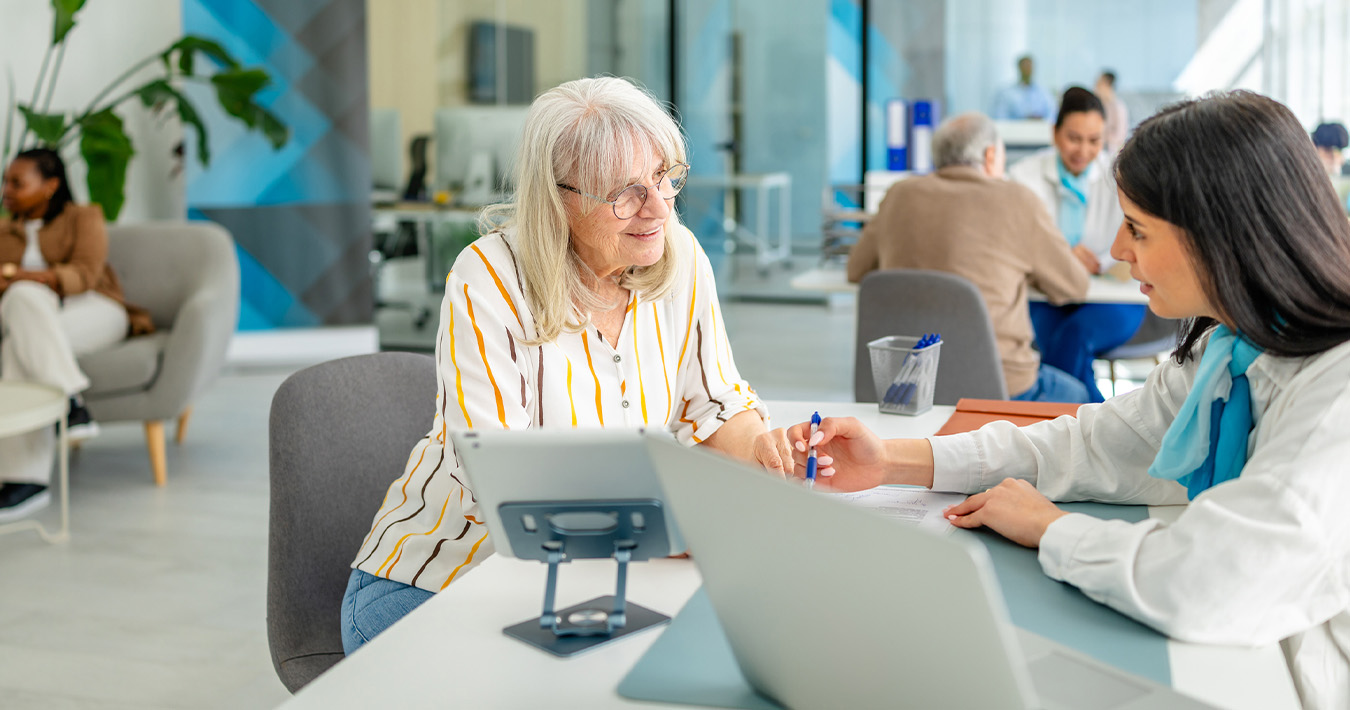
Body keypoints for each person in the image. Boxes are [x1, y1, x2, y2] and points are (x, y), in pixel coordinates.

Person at [771, 91, 1350, 710]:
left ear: (1222, 237)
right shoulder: (1233, 350)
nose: (1121, 251)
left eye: (1138, 229)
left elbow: (1210, 583)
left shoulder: (1334, 399)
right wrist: (895, 460)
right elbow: (1096, 440)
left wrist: (1052, 529)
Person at [341, 77, 772, 653]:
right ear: (557, 198)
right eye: (626, 192)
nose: (658, 208)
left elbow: (716, 403)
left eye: (665, 178)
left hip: (597, 578)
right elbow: (508, 481)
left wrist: (773, 458)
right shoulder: (490, 277)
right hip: (442, 582)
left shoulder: (680, 254)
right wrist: (666, 530)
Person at [847, 112, 1091, 403]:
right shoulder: (1017, 200)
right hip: (1000, 386)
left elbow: (856, 269)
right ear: (990, 156)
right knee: (1077, 394)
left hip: (904, 388)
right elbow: (1075, 286)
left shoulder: (899, 195)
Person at [0, 148, 152, 521]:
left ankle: (25, 481)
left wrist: (21, 277)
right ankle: (70, 402)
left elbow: (84, 274)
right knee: (21, 313)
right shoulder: (4, 230)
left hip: (94, 311)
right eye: (6, 181)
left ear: (51, 185)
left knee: (20, 312)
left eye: (17, 182)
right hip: (32, 320)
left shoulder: (84, 218)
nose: (7, 190)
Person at [1010, 87, 1146, 402]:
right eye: (1074, 138)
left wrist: (1107, 264)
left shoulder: (1121, 178)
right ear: (1054, 133)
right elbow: (1009, 245)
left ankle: (1068, 430)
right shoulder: (1021, 178)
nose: (1084, 150)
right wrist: (1057, 258)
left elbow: (1143, 243)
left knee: (1073, 336)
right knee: (1052, 340)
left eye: (1094, 141)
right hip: (1045, 295)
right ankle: (1100, 426)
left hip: (1112, 299)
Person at [991, 55, 1055, 121]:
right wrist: (1023, 120)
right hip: (1014, 130)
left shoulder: (1044, 92)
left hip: (1040, 129)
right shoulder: (1006, 94)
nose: (1027, 69)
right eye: (1025, 66)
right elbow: (1000, 118)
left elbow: (1052, 115)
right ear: (1019, 68)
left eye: (1029, 66)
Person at [1094, 70, 1129, 155]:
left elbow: (1119, 135)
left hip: (1110, 153)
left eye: (1099, 84)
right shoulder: (1100, 105)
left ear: (1107, 85)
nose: (1095, 87)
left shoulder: (1118, 107)